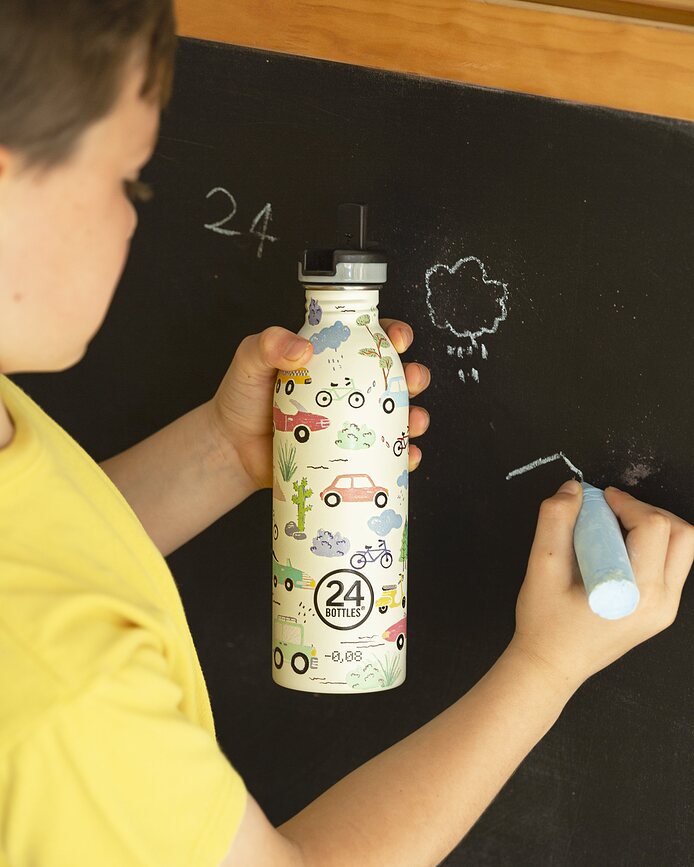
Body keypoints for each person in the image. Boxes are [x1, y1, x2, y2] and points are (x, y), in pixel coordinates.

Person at [0, 2, 691, 866]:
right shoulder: (63, 698)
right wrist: (544, 668)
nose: (136, 216)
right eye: (127, 180)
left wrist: (222, 452)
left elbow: (42, 548)